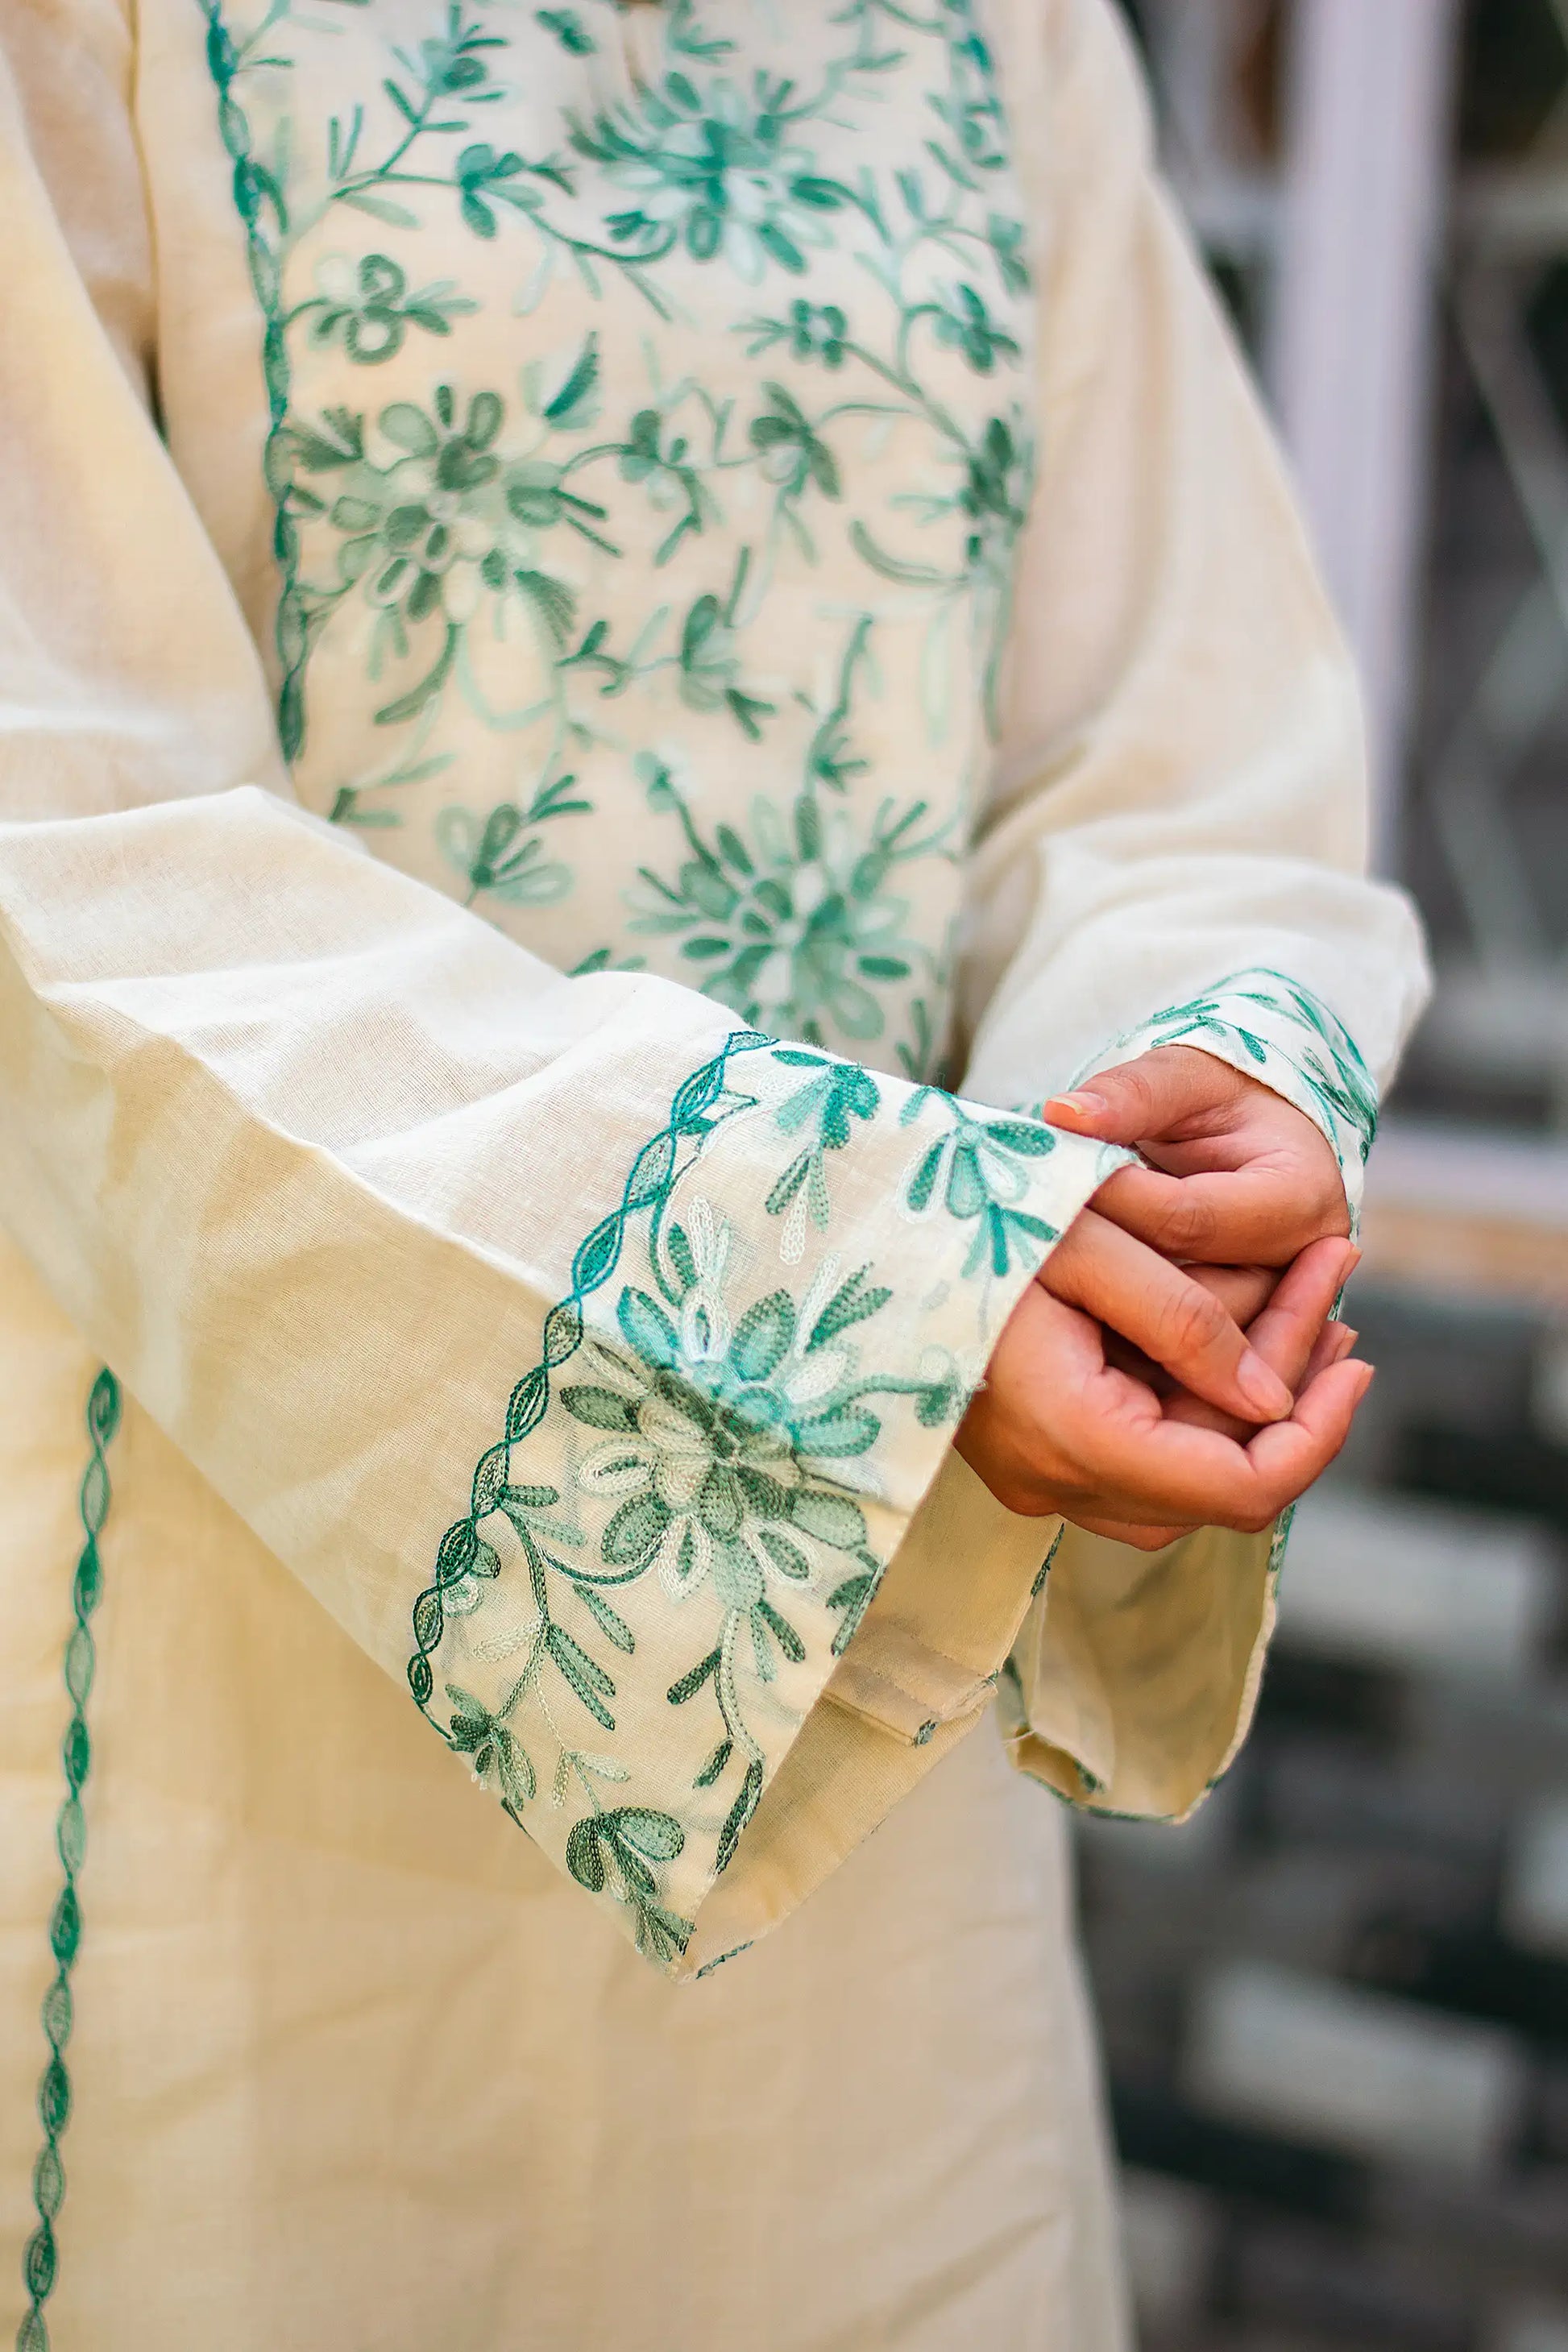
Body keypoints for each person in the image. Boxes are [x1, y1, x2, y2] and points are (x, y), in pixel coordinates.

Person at [0, 0, 1427, 2342]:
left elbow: (1168, 735)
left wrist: (1190, 1097)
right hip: (195, 1625)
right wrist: (877, 1286)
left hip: (879, 1640)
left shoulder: (1004, 36)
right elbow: (58, 823)